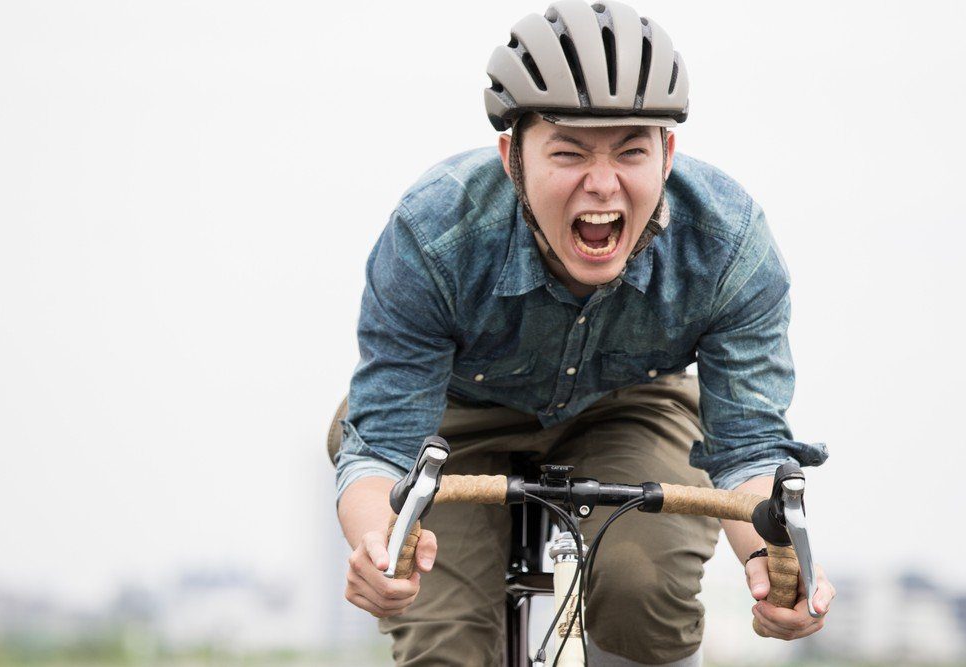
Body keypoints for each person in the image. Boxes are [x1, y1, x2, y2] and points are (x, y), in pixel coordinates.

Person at [331, 1, 836, 664]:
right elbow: (384, 451)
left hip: (633, 408)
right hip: (452, 422)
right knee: (442, 641)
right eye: (568, 152)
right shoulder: (432, 236)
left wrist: (778, 565)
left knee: (642, 594)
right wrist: (380, 548)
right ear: (512, 157)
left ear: (668, 152)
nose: (603, 185)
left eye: (631, 151)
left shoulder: (729, 244)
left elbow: (746, 453)